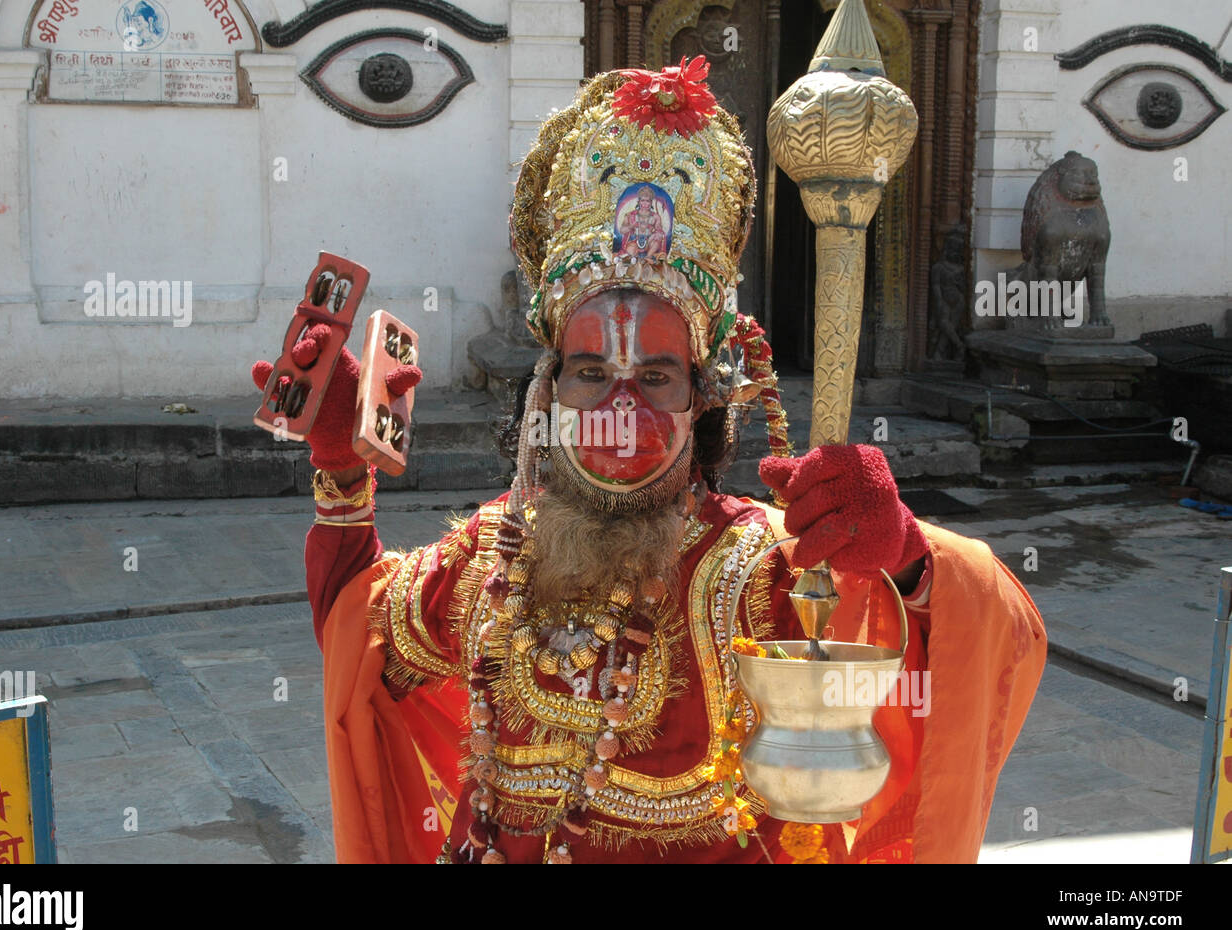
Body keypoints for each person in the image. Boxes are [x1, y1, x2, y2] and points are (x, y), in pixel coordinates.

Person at [251, 58, 1046, 864]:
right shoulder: (492, 555)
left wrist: (908, 555)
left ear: (701, 396)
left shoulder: (766, 569)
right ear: (549, 391)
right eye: (592, 373)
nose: (620, 412)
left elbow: (991, 646)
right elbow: (360, 648)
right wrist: (341, 470)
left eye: (654, 377)